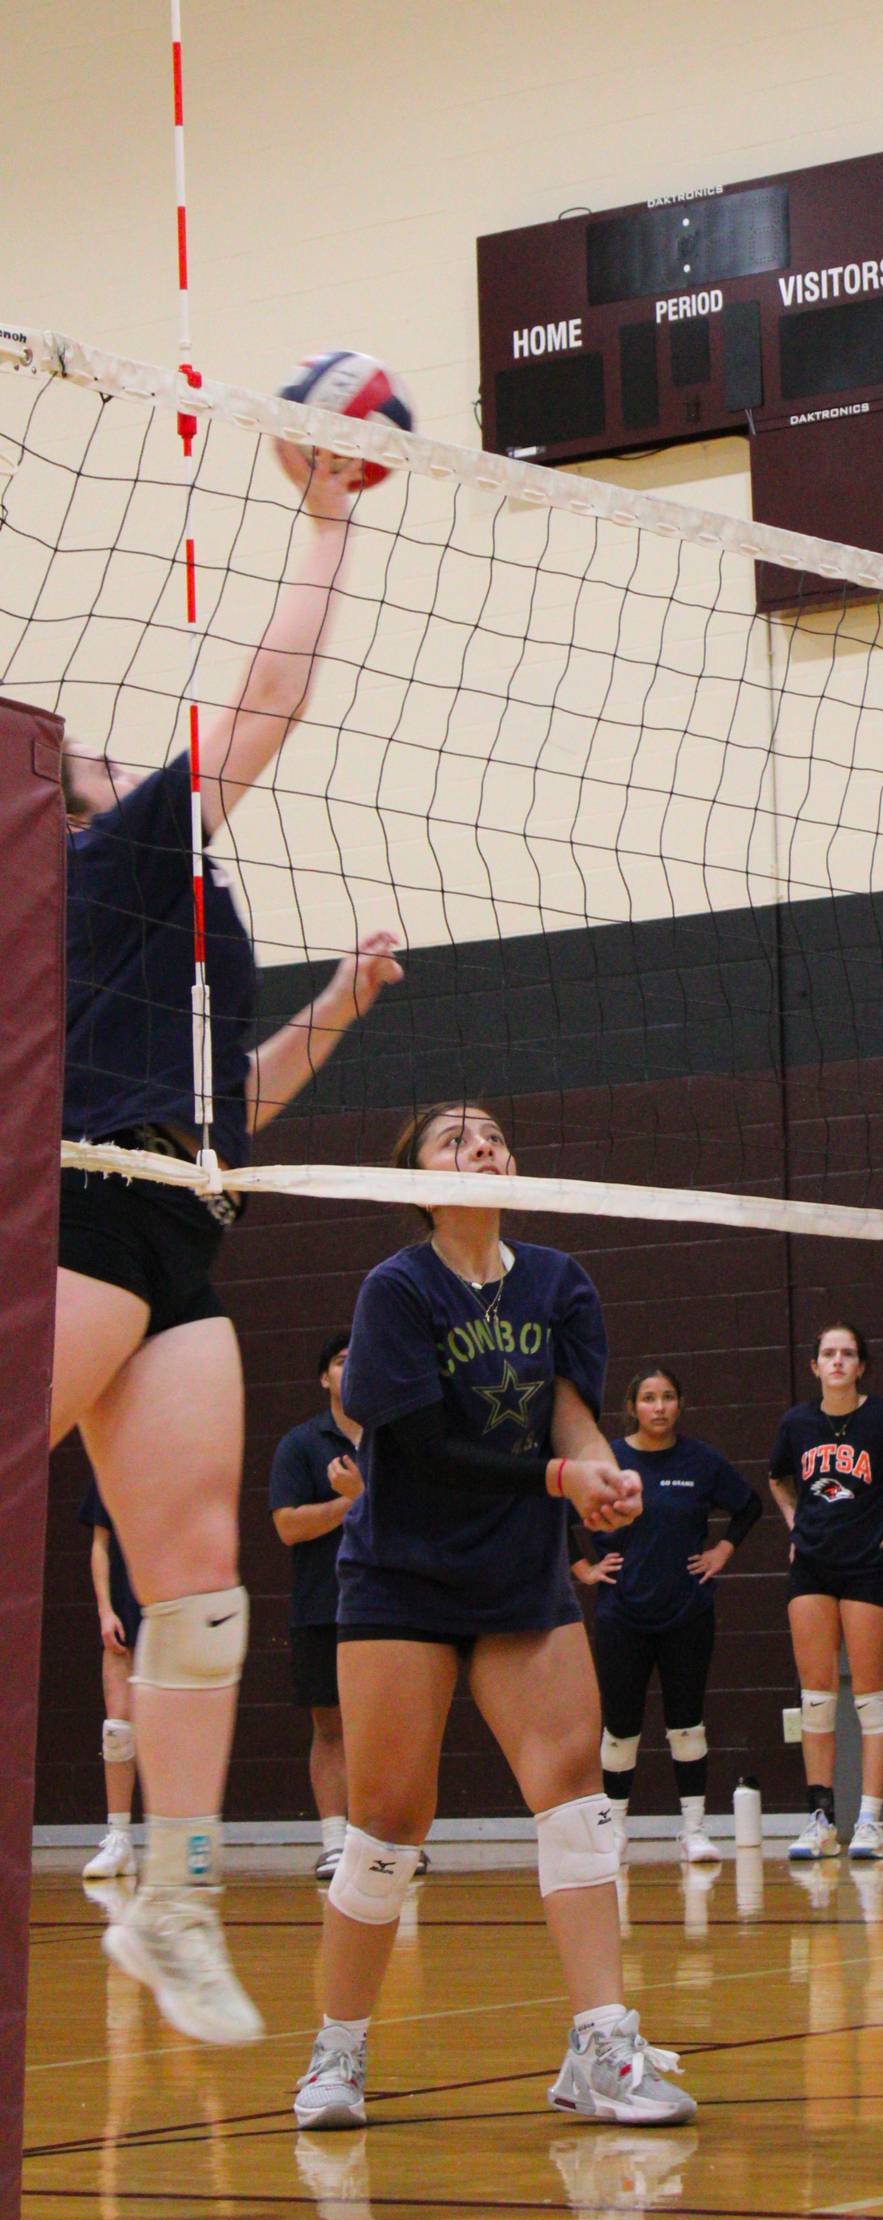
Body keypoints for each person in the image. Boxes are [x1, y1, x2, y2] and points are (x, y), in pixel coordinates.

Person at [53, 438, 402, 2043]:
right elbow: (264, 706)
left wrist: (332, 1006)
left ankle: (175, 1892)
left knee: (198, 1589)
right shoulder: (101, 867)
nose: (128, 764)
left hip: (178, 1223)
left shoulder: (187, 915)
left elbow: (230, 1099)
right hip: (78, 1207)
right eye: (97, 759)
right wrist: (323, 526)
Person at [293, 1100, 694, 2133]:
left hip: (518, 1580)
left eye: (494, 1134)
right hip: (402, 1578)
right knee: (387, 1827)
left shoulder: (560, 1281)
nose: (485, 1144)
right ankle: (337, 2052)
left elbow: (566, 1407)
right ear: (420, 1182)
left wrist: (598, 1468)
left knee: (573, 1797)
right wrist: (563, 1475)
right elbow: (422, 1454)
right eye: (455, 1137)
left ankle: (601, 2043)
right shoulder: (397, 1290)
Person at [571, 1362, 761, 1865]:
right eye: (649, 1398)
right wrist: (585, 1568)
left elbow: (749, 1506)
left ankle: (693, 1830)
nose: (659, 1407)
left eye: (668, 1397)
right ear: (631, 1406)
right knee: (620, 1727)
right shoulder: (607, 1461)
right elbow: (556, 1513)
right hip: (621, 1615)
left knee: (686, 1723)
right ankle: (614, 1832)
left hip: (687, 1612)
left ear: (680, 1405)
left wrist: (722, 1552)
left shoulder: (701, 1461)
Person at [768, 1323, 883, 1864]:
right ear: (814, 1366)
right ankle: (822, 1820)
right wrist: (792, 1523)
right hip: (811, 1567)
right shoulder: (797, 1424)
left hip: (869, 1568)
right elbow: (777, 1479)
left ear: (861, 1366)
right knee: (817, 1697)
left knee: (871, 1697)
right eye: (827, 1353)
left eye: (847, 1354)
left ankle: (869, 1821)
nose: (836, 1362)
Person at [270, 1335, 364, 1883]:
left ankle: (388, 1842)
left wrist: (365, 1493)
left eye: (360, 1359)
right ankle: (334, 1843)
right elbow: (287, 1526)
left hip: (396, 1606)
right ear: (323, 1377)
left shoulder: (397, 1436)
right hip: (322, 1605)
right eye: (339, 1361)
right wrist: (349, 1501)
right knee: (330, 1727)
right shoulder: (300, 1444)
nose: (350, 1370)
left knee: (391, 1729)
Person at [79, 1470, 141, 1882]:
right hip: (124, 1606)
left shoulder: (186, 1459)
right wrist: (105, 1610)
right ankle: (119, 1839)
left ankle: (182, 1843)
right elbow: (100, 1544)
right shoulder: (110, 1463)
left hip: (173, 1607)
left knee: (178, 1726)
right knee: (118, 1727)